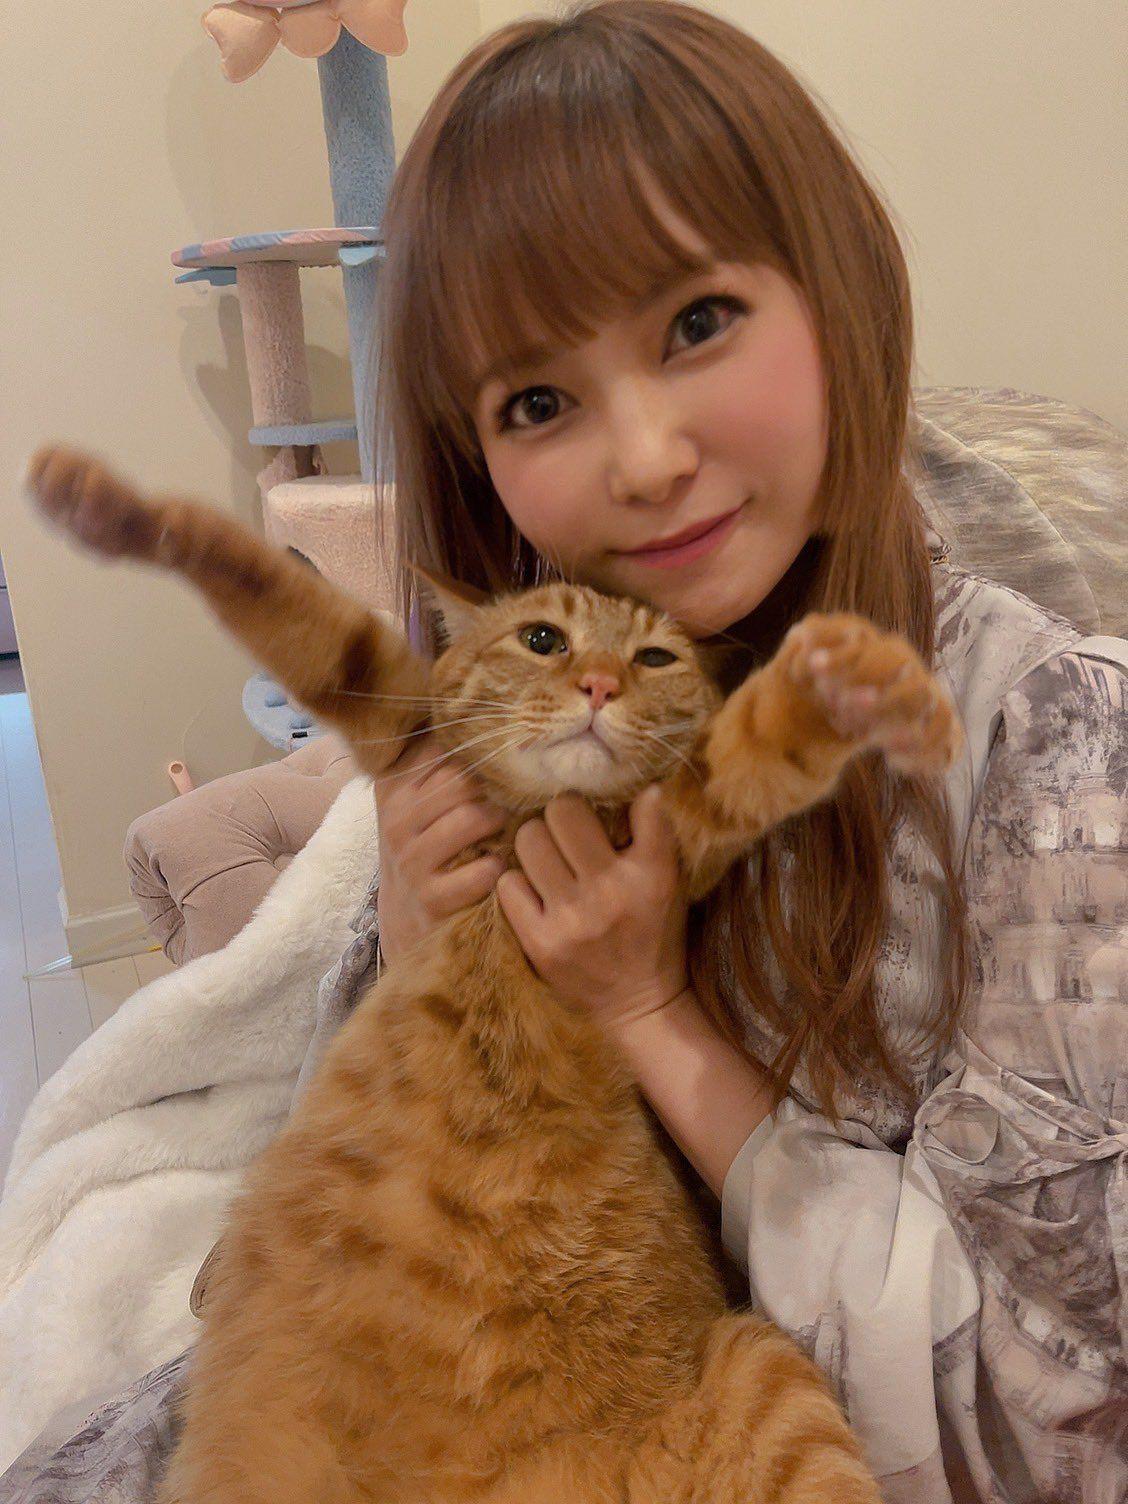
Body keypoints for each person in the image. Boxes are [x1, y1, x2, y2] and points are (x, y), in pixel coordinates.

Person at [362, 4, 1127, 1502]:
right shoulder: (509, 714)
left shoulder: (1053, 752)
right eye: (538, 402)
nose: (646, 461)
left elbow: (1043, 1421)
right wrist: (412, 955)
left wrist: (646, 1012)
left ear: (837, 292)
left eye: (698, 323)